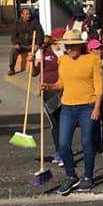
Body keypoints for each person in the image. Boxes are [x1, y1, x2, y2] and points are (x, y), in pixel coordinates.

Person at [42, 29, 103, 195]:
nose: (69, 49)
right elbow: (61, 83)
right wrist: (49, 86)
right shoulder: (63, 60)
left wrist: (97, 107)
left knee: (87, 143)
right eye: (66, 46)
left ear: (79, 45)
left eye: (72, 46)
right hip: (67, 107)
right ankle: (71, 176)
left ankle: (88, 177)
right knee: (63, 144)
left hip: (87, 106)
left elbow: (99, 86)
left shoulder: (92, 59)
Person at [37, 28, 65, 165]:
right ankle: (59, 151)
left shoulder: (66, 50)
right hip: (48, 90)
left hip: (64, 89)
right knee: (55, 122)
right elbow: (34, 72)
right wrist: (32, 62)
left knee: (64, 121)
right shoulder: (43, 51)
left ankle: (65, 150)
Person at [8, 7, 44, 76]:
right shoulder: (17, 22)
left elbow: (40, 33)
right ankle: (11, 68)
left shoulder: (35, 21)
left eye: (29, 14)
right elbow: (13, 35)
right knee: (13, 51)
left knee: (32, 54)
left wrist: (38, 44)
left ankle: (33, 69)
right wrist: (15, 43)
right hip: (21, 45)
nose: (29, 16)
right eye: (26, 14)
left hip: (32, 45)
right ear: (22, 15)